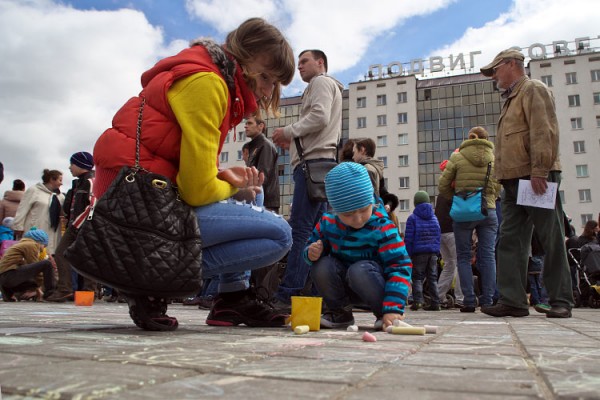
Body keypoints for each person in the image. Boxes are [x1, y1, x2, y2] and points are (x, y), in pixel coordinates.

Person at [92, 18, 294, 328]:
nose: (268, 90)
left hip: (135, 195)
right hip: (135, 209)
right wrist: (230, 183)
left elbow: (185, 169)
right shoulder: (208, 84)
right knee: (279, 235)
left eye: (275, 83)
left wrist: (232, 181)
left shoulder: (208, 74)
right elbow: (196, 191)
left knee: (257, 191)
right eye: (266, 76)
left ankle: (233, 297)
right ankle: (148, 279)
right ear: (241, 56)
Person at [479, 48, 573, 318]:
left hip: (534, 177)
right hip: (512, 179)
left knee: (550, 236)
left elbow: (544, 130)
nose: (493, 76)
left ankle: (561, 300)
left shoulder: (533, 89)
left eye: (496, 69)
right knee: (510, 240)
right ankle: (513, 300)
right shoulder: (512, 98)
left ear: (511, 64)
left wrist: (540, 170)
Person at [271, 49, 343, 310]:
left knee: (300, 232)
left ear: (320, 63)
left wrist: (289, 131)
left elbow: (319, 116)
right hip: (321, 164)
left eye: (304, 61)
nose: (299, 66)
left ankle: (288, 295)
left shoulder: (320, 82)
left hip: (312, 165)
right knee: (316, 234)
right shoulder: (328, 85)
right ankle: (315, 297)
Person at [305, 162, 412, 330]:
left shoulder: (383, 227)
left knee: (360, 270)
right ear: (336, 210)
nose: (358, 219)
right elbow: (310, 246)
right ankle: (340, 314)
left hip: (375, 286)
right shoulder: (328, 223)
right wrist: (312, 252)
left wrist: (392, 308)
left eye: (363, 210)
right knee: (321, 265)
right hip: (343, 287)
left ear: (371, 201)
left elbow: (399, 266)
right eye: (348, 214)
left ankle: (383, 314)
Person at [438, 126, 500, 312]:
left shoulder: (457, 157)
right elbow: (498, 187)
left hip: (464, 211)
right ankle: (488, 300)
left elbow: (443, 185)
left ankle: (469, 301)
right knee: (488, 256)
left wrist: (457, 197)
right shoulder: (494, 159)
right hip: (488, 209)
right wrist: (488, 197)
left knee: (463, 257)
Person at [46, 152, 96, 303]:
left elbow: (92, 206)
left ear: (81, 165)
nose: (69, 167)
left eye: (72, 164)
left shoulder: (91, 182)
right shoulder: (78, 183)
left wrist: (77, 224)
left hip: (83, 225)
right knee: (65, 253)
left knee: (82, 256)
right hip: (75, 225)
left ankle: (83, 291)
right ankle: (67, 289)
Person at [404, 190, 441, 311]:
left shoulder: (412, 218)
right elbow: (438, 236)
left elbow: (409, 238)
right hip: (433, 253)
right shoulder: (434, 218)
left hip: (419, 252)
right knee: (432, 278)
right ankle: (436, 302)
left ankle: (418, 302)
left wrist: (407, 254)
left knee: (418, 278)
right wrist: (436, 251)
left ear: (415, 203)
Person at [13, 170, 64, 254]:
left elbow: (63, 212)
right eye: (60, 180)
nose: (61, 183)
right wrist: (18, 226)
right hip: (35, 229)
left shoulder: (60, 196)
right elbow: (23, 209)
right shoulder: (34, 190)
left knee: (49, 256)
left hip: (53, 234)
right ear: (52, 179)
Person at [0, 228, 55, 302]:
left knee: (32, 283)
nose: (43, 249)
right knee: (47, 264)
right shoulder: (31, 245)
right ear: (40, 242)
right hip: (10, 275)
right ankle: (50, 294)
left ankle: (9, 293)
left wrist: (35, 287)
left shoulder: (20, 244)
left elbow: (27, 268)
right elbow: (35, 268)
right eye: (44, 245)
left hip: (4, 280)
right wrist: (40, 287)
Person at [243, 114, 280, 213]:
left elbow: (262, 176)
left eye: (250, 123)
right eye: (246, 123)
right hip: (257, 200)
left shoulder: (265, 145)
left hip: (266, 203)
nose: (246, 126)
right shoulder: (253, 146)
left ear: (261, 126)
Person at [434, 192, 464, 309]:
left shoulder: (441, 194)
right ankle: (461, 298)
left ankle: (439, 296)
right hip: (452, 231)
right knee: (461, 263)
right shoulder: (456, 192)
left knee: (449, 264)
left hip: (440, 231)